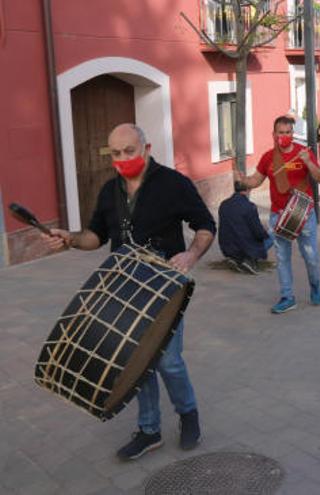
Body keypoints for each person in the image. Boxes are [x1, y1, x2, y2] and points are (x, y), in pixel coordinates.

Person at [42, 123, 215, 460]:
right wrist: (71, 239)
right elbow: (96, 235)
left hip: (164, 289)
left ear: (146, 148)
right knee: (133, 362)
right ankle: (149, 430)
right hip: (121, 289)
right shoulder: (110, 191)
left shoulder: (173, 184)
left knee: (168, 361)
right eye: (116, 154)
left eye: (129, 151)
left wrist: (191, 254)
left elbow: (206, 225)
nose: (122, 159)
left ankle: (188, 414)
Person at [237, 116, 320, 313]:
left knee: (310, 257)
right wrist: (243, 181)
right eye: (280, 133)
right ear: (274, 134)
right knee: (282, 258)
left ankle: (315, 285)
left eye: (288, 133)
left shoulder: (304, 153)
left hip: (303, 212)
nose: (284, 136)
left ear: (292, 134)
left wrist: (308, 163)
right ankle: (287, 296)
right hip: (278, 214)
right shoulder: (268, 157)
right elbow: (256, 180)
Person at [218, 181, 269, 274]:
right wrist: (265, 233)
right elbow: (257, 231)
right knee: (270, 236)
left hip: (225, 245)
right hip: (243, 246)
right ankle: (249, 260)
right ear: (248, 190)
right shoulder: (249, 206)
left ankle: (235, 258)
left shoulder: (223, 204)